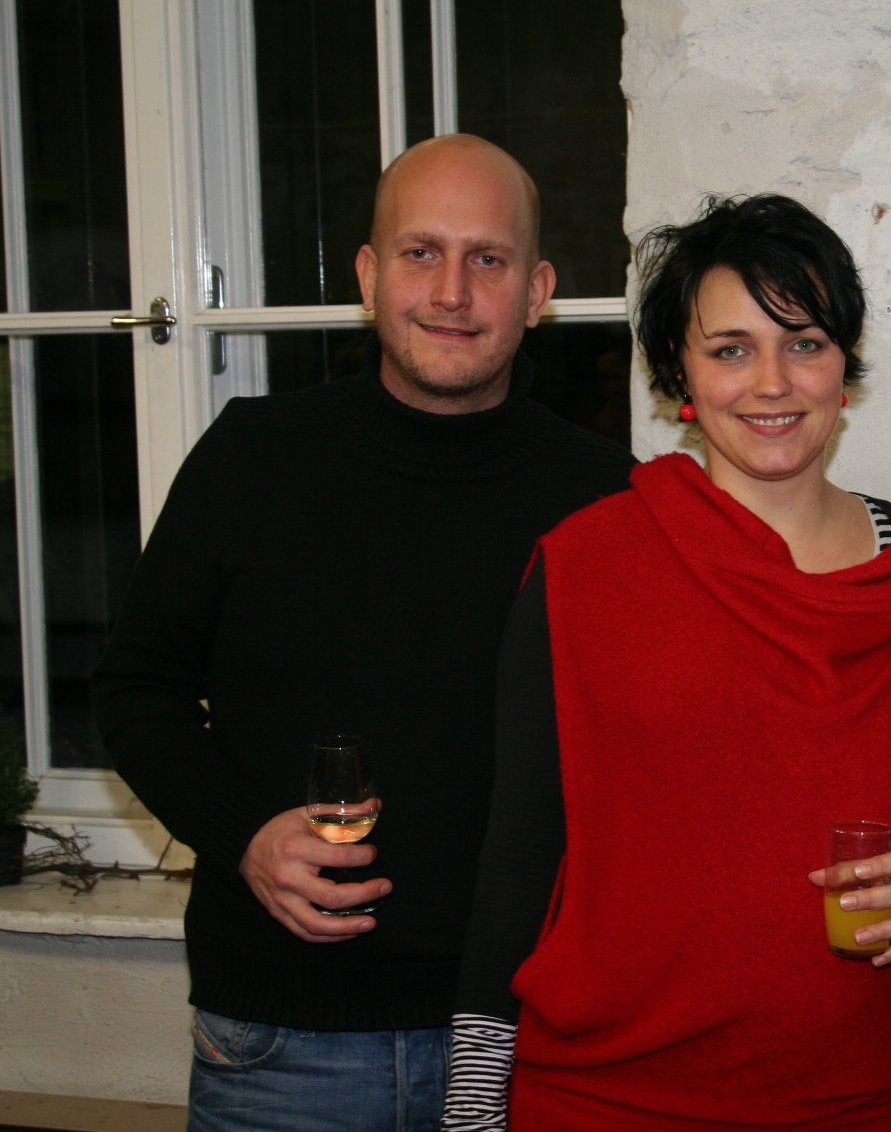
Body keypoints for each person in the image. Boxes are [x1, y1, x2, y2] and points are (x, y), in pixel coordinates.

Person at [92, 134, 635, 1132]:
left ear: (538, 291)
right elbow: (136, 692)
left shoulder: (607, 497)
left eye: (488, 259)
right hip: (282, 1044)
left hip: (532, 1041)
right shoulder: (252, 460)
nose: (452, 292)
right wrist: (244, 836)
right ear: (369, 275)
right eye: (421, 253)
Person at [440, 194, 891, 1132]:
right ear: (679, 372)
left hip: (866, 1096)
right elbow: (523, 849)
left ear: (843, 368)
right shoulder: (587, 566)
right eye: (731, 350)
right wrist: (472, 1101)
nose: (772, 383)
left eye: (804, 343)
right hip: (606, 1097)